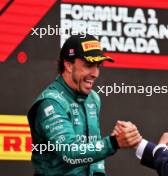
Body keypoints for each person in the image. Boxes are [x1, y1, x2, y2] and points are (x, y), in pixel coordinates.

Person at [27, 34, 141, 176]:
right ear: (68, 65)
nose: (95, 73)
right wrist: (113, 142)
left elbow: (94, 142)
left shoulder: (93, 98)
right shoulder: (51, 102)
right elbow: (69, 153)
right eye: (88, 65)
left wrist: (99, 173)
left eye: (98, 66)